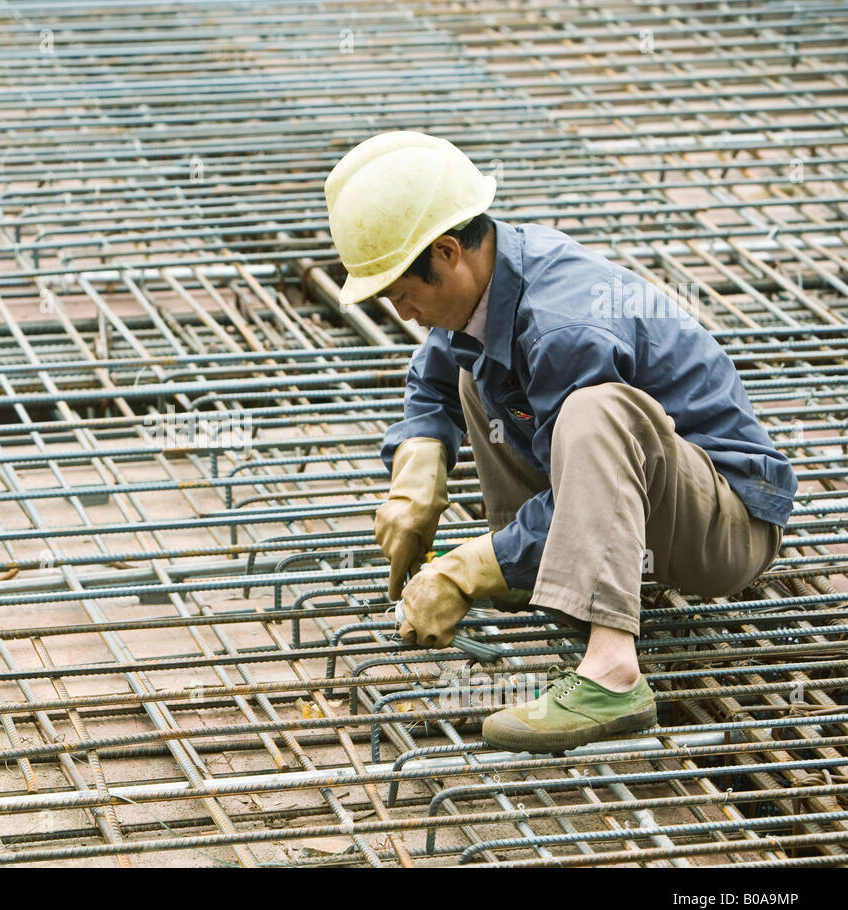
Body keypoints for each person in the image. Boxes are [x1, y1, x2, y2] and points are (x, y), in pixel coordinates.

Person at [324, 130, 796, 752]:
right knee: (474, 367)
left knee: (595, 412)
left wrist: (466, 572)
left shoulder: (563, 323)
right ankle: (537, 570)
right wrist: (418, 476)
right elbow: (433, 374)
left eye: (403, 292)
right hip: (650, 508)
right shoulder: (495, 276)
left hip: (725, 526)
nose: (403, 312)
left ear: (446, 252)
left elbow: (597, 448)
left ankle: (611, 673)